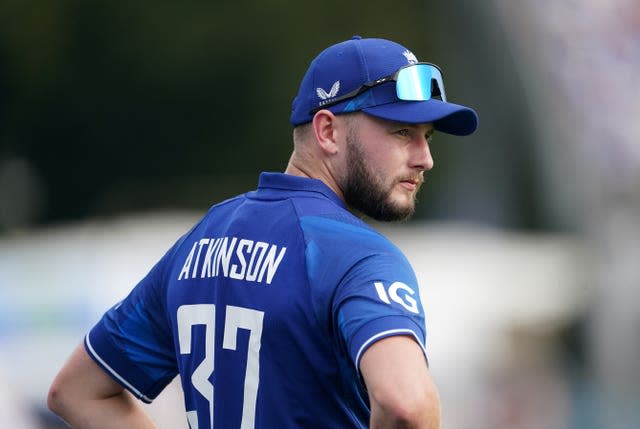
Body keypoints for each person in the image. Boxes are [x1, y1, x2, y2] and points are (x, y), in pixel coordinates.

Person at [47, 35, 478, 429]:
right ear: (327, 131)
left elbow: (76, 391)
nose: (425, 158)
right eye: (402, 132)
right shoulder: (358, 257)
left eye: (428, 137)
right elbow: (409, 406)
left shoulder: (202, 240)